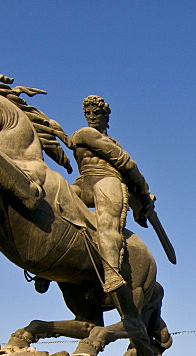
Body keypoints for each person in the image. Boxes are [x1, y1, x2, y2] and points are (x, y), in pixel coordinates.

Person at [67, 95, 155, 292]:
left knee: (107, 223)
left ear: (106, 117)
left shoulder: (111, 142)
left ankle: (112, 272)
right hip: (84, 181)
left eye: (96, 113)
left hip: (108, 179)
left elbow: (127, 166)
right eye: (87, 113)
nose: (91, 117)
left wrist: (142, 195)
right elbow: (128, 164)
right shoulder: (83, 134)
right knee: (56, 202)